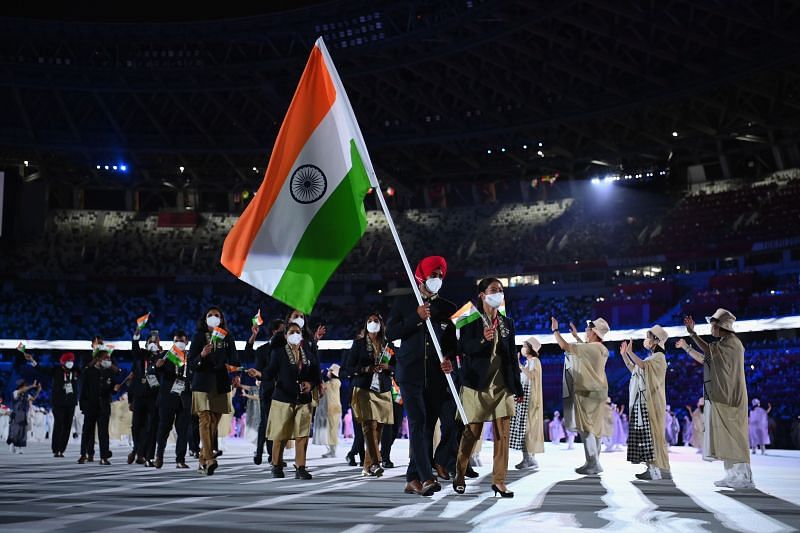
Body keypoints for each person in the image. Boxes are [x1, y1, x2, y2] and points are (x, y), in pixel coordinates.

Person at [387, 256, 457, 497]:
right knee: (417, 422)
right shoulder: (405, 302)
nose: (437, 279)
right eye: (433, 275)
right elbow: (391, 333)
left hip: (436, 376)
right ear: (421, 277)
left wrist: (449, 358)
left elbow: (451, 344)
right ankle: (427, 478)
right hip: (410, 373)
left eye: (440, 275)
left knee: (428, 427)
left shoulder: (447, 307)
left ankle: (411, 478)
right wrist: (416, 317)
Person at [453, 278, 523, 497]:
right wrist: (483, 340)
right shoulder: (470, 318)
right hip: (476, 385)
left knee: (503, 436)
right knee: (472, 433)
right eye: (494, 290)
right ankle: (460, 472)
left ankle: (499, 481)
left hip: (502, 386)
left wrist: (517, 387)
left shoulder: (506, 322)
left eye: (501, 290)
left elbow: (511, 356)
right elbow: (462, 347)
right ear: (482, 295)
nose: (499, 294)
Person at [680, 309, 753, 489]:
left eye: (713, 325)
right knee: (725, 439)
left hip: (731, 398)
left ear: (721, 326)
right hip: (723, 397)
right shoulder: (722, 345)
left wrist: (693, 334)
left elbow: (707, 350)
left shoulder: (732, 344)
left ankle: (744, 477)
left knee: (736, 438)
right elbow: (706, 358)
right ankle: (732, 475)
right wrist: (687, 347)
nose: (711, 328)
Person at [552, 316, 610, 475]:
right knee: (596, 428)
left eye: (588, 329)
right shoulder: (601, 349)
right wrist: (577, 337)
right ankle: (594, 461)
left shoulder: (592, 348)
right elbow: (587, 348)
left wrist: (555, 330)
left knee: (586, 428)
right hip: (600, 391)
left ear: (594, 332)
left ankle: (592, 463)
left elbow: (564, 346)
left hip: (587, 392)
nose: (586, 331)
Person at [265, 321, 321, 479]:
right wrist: (259, 375)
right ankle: (276, 465)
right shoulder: (278, 353)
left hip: (303, 399)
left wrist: (311, 384)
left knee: (302, 435)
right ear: (285, 335)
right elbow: (270, 372)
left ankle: (300, 467)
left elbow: (315, 375)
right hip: (283, 398)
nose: (295, 334)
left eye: (298, 332)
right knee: (280, 434)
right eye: (291, 332)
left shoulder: (308, 354)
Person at [344, 314, 397, 477]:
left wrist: (388, 366)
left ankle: (367, 467)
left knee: (379, 428)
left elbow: (397, 366)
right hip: (364, 389)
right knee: (369, 425)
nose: (373, 324)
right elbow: (348, 368)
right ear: (365, 325)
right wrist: (366, 369)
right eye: (370, 321)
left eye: (376, 321)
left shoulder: (388, 345)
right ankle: (375, 462)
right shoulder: (359, 344)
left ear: (381, 325)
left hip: (383, 389)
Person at [189, 306, 239, 476]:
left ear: (222, 319)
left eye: (217, 315)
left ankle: (203, 459)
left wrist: (235, 371)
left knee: (213, 423)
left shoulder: (227, 337)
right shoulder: (198, 337)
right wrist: (202, 355)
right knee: (205, 419)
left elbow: (235, 359)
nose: (213, 317)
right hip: (202, 383)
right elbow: (190, 364)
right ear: (205, 319)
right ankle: (210, 459)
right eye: (210, 315)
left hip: (220, 382)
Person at [620, 325, 672, 481]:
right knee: (647, 436)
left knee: (653, 435)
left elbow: (642, 365)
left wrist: (630, 352)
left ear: (656, 340)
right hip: (644, 400)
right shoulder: (652, 358)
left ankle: (655, 470)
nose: (647, 339)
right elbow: (635, 370)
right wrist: (624, 355)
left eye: (650, 336)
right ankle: (652, 468)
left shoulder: (659, 358)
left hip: (652, 401)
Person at [25, 351, 80, 457]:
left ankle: (62, 449)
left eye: (71, 360)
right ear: (63, 362)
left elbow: (87, 369)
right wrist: (32, 360)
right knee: (58, 424)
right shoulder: (56, 370)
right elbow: (41, 369)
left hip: (71, 403)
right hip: (58, 402)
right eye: (68, 361)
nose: (70, 362)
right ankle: (56, 449)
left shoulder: (75, 371)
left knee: (67, 426)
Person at [246, 318, 284, 466]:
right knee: (266, 422)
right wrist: (253, 336)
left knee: (275, 423)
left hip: (281, 389)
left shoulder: (286, 350)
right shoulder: (263, 350)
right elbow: (248, 353)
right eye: (282, 330)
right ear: (274, 331)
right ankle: (262, 452)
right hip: (268, 389)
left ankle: (271, 454)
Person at [153, 330, 192, 469]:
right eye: (176, 341)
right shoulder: (166, 356)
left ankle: (180, 459)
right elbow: (153, 372)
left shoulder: (191, 357)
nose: (179, 343)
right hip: (168, 398)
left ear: (186, 342)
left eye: (181, 340)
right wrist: (157, 366)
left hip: (184, 398)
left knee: (183, 431)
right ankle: (159, 456)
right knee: (164, 428)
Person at [78, 348, 120, 464]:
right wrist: (83, 406)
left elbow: (111, 387)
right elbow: (83, 390)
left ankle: (104, 457)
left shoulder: (108, 372)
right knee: (87, 431)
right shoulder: (89, 372)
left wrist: (114, 389)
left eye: (109, 358)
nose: (108, 360)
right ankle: (83, 454)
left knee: (103, 432)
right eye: (106, 358)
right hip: (90, 406)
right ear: (98, 359)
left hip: (104, 406)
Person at [130, 328, 163, 466]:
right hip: (139, 397)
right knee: (136, 426)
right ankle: (137, 450)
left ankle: (146, 456)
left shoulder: (162, 358)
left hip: (153, 397)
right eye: (150, 341)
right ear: (146, 343)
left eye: (155, 341)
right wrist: (136, 335)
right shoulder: (141, 356)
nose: (153, 343)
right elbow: (135, 348)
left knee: (151, 428)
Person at [511, 337, 544, 471]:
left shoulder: (534, 361)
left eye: (525, 346)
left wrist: (518, 364)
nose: (522, 348)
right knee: (525, 430)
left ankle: (529, 459)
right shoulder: (528, 362)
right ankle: (528, 458)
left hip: (530, 400)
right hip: (525, 400)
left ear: (531, 348)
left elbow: (531, 376)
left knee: (527, 430)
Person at [6, 379, 40, 453]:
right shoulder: (15, 392)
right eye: (24, 386)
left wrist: (38, 390)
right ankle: (13, 444)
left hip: (23, 414)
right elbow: (22, 391)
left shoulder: (26, 395)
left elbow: (33, 398)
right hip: (16, 414)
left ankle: (20, 447)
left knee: (22, 432)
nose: (25, 387)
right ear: (21, 387)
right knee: (14, 432)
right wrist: (32, 386)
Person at [380, 378, 405, 468]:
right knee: (388, 428)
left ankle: (382, 453)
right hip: (385, 395)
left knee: (395, 430)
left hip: (399, 397)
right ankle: (385, 457)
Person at [321, 363, 343, 458]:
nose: (328, 372)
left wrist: (320, 376)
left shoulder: (334, 382)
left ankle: (332, 450)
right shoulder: (335, 382)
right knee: (332, 429)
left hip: (333, 408)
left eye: (330, 371)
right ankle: (331, 449)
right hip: (335, 408)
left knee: (332, 430)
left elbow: (323, 387)